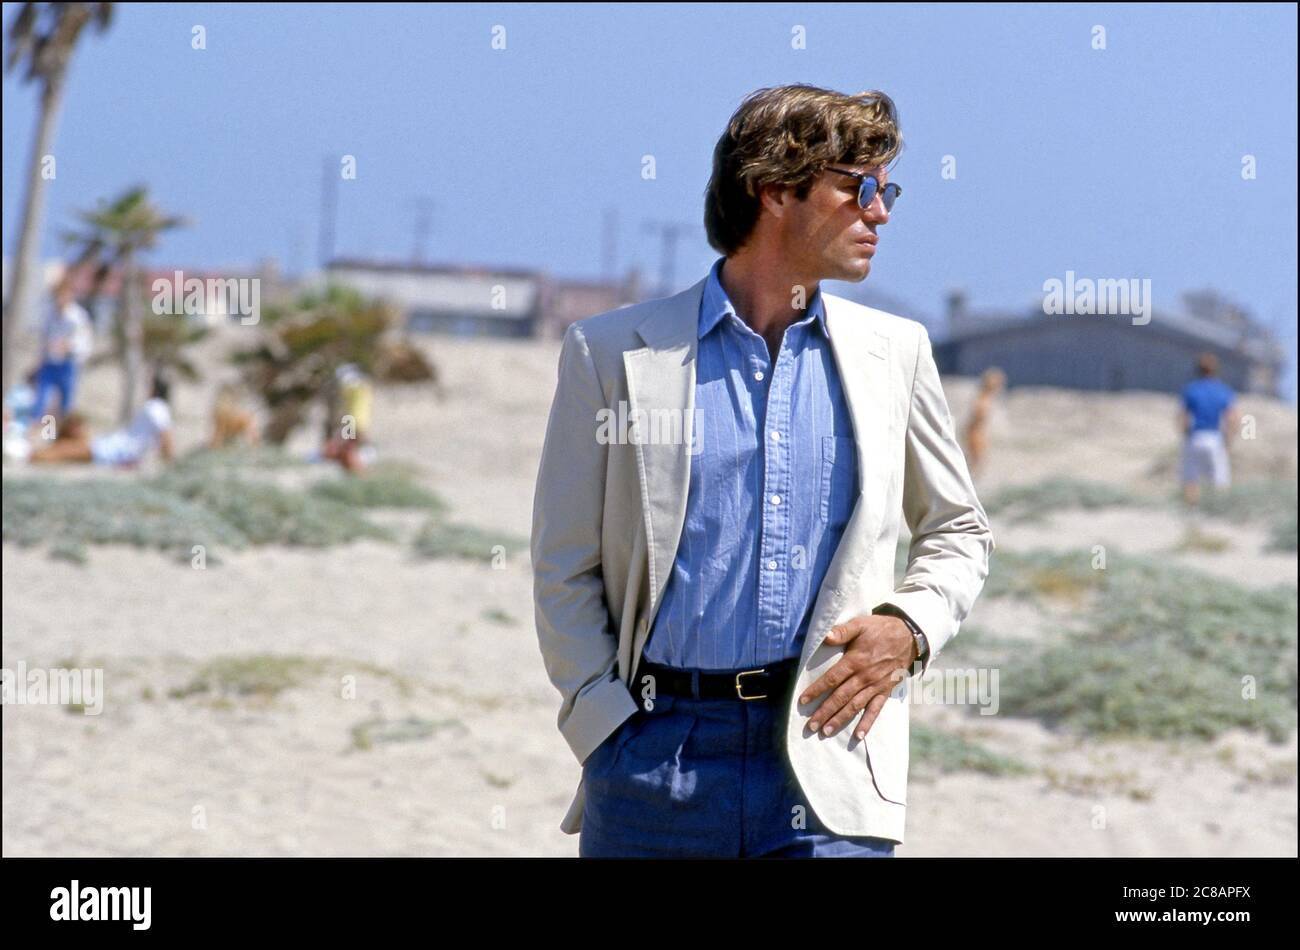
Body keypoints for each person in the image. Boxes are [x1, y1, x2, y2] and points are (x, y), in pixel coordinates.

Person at [531, 84, 995, 857]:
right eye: (858, 187)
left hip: (831, 751)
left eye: (888, 190)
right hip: (653, 763)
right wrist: (601, 724)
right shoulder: (611, 353)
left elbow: (959, 531)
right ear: (774, 190)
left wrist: (909, 628)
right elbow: (563, 562)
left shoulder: (895, 353)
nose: (881, 212)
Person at [30, 373, 174, 467]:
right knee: (69, 448)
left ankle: (30, 455)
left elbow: (165, 437)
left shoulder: (156, 407)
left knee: (66, 451)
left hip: (118, 451)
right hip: (118, 447)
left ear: (154, 389)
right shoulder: (157, 408)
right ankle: (32, 454)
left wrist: (171, 465)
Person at [1178, 351, 1239, 507]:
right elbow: (1232, 418)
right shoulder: (1223, 391)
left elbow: (1183, 417)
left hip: (1195, 436)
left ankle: (1192, 512)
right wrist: (1229, 440)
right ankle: (1220, 511)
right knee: (1220, 480)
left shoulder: (1191, 389)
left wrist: (1186, 436)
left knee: (1191, 478)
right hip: (1215, 437)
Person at [31, 276, 94, 424]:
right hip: (49, 362)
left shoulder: (78, 316)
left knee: (66, 403)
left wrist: (69, 345)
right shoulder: (50, 315)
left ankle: (60, 433)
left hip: (68, 364)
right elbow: (44, 339)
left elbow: (85, 342)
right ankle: (35, 430)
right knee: (41, 399)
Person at [321, 363, 373, 473]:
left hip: (350, 420)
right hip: (357, 421)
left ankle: (358, 471)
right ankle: (357, 470)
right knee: (350, 446)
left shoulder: (353, 387)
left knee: (347, 448)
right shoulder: (364, 387)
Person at [962, 366, 1006, 479]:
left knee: (976, 466)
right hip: (975, 435)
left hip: (977, 434)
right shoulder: (982, 400)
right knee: (974, 466)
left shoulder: (984, 398)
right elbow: (976, 419)